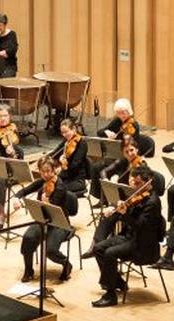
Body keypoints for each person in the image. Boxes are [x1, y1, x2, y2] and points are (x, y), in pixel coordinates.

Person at [91, 166, 164, 307]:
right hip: (129, 237)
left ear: (148, 182)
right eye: (132, 182)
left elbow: (139, 226)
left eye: (137, 183)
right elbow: (128, 216)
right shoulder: (137, 195)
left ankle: (110, 295)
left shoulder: (153, 202)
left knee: (110, 253)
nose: (133, 186)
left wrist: (124, 214)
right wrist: (114, 210)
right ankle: (118, 282)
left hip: (142, 244)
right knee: (98, 248)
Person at [12, 157, 73, 282]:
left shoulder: (60, 186)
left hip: (60, 223)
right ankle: (28, 270)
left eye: (48, 171)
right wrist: (17, 198)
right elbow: (25, 190)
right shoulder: (42, 182)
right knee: (28, 238)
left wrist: (45, 203)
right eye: (43, 172)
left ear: (54, 170)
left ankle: (66, 264)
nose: (46, 175)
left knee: (50, 250)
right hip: (43, 221)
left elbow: (53, 210)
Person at [50, 119, 88, 195]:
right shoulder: (67, 141)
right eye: (62, 133)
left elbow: (75, 165)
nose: (64, 135)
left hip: (76, 179)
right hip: (65, 176)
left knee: (56, 190)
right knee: (46, 184)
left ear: (73, 129)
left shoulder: (82, 143)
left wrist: (61, 166)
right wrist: (47, 159)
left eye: (66, 132)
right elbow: (55, 153)